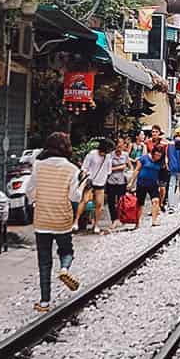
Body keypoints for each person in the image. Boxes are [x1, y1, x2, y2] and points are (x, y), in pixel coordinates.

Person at [31, 132, 82, 311]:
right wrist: (83, 185)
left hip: (42, 218)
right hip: (62, 218)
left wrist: (36, 202)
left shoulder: (37, 165)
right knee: (66, 250)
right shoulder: (72, 169)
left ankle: (44, 302)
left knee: (44, 261)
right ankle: (65, 269)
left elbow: (30, 189)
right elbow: (74, 196)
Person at [75, 139, 114, 234]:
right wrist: (85, 178)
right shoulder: (92, 154)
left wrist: (104, 178)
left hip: (101, 183)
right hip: (90, 182)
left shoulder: (108, 157)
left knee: (99, 205)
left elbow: (109, 170)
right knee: (84, 201)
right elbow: (84, 167)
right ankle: (75, 221)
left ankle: (96, 224)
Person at [132, 146, 165, 227]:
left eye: (159, 155)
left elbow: (162, 173)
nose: (157, 157)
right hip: (141, 184)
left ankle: (154, 221)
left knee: (156, 201)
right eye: (156, 155)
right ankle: (137, 222)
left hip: (153, 184)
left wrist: (162, 185)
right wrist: (131, 182)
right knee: (140, 204)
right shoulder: (144, 158)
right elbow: (137, 170)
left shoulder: (160, 162)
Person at [105, 138, 133, 230]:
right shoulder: (109, 156)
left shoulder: (125, 155)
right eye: (118, 146)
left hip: (122, 181)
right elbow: (107, 169)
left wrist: (129, 176)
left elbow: (130, 166)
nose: (119, 148)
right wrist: (120, 167)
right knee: (111, 202)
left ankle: (120, 219)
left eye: (121, 146)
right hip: (111, 181)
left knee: (121, 201)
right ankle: (113, 219)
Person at [166, 129, 180, 211]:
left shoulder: (170, 144)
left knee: (171, 186)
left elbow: (167, 156)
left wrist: (167, 165)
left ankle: (171, 206)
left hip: (172, 167)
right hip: (179, 167)